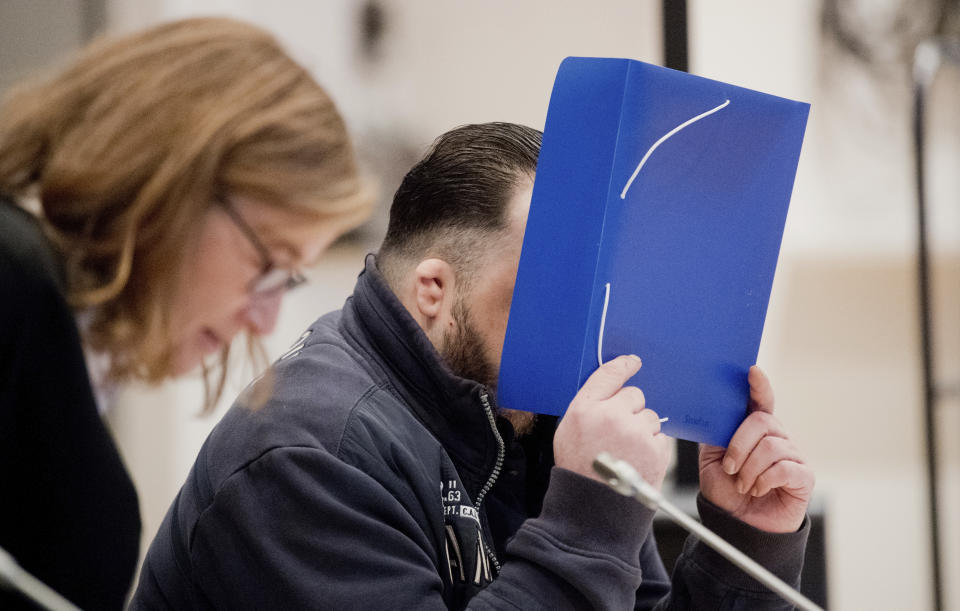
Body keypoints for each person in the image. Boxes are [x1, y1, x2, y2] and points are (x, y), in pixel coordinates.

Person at [131, 123, 814, 609]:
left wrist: (743, 545)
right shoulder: (309, 450)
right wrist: (589, 518)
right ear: (435, 289)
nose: (578, 325)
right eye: (550, 288)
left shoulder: (541, 421)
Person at [0, 17, 370, 610]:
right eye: (269, 264)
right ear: (176, 184)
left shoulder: (61, 339)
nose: (265, 320)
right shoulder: (12, 276)